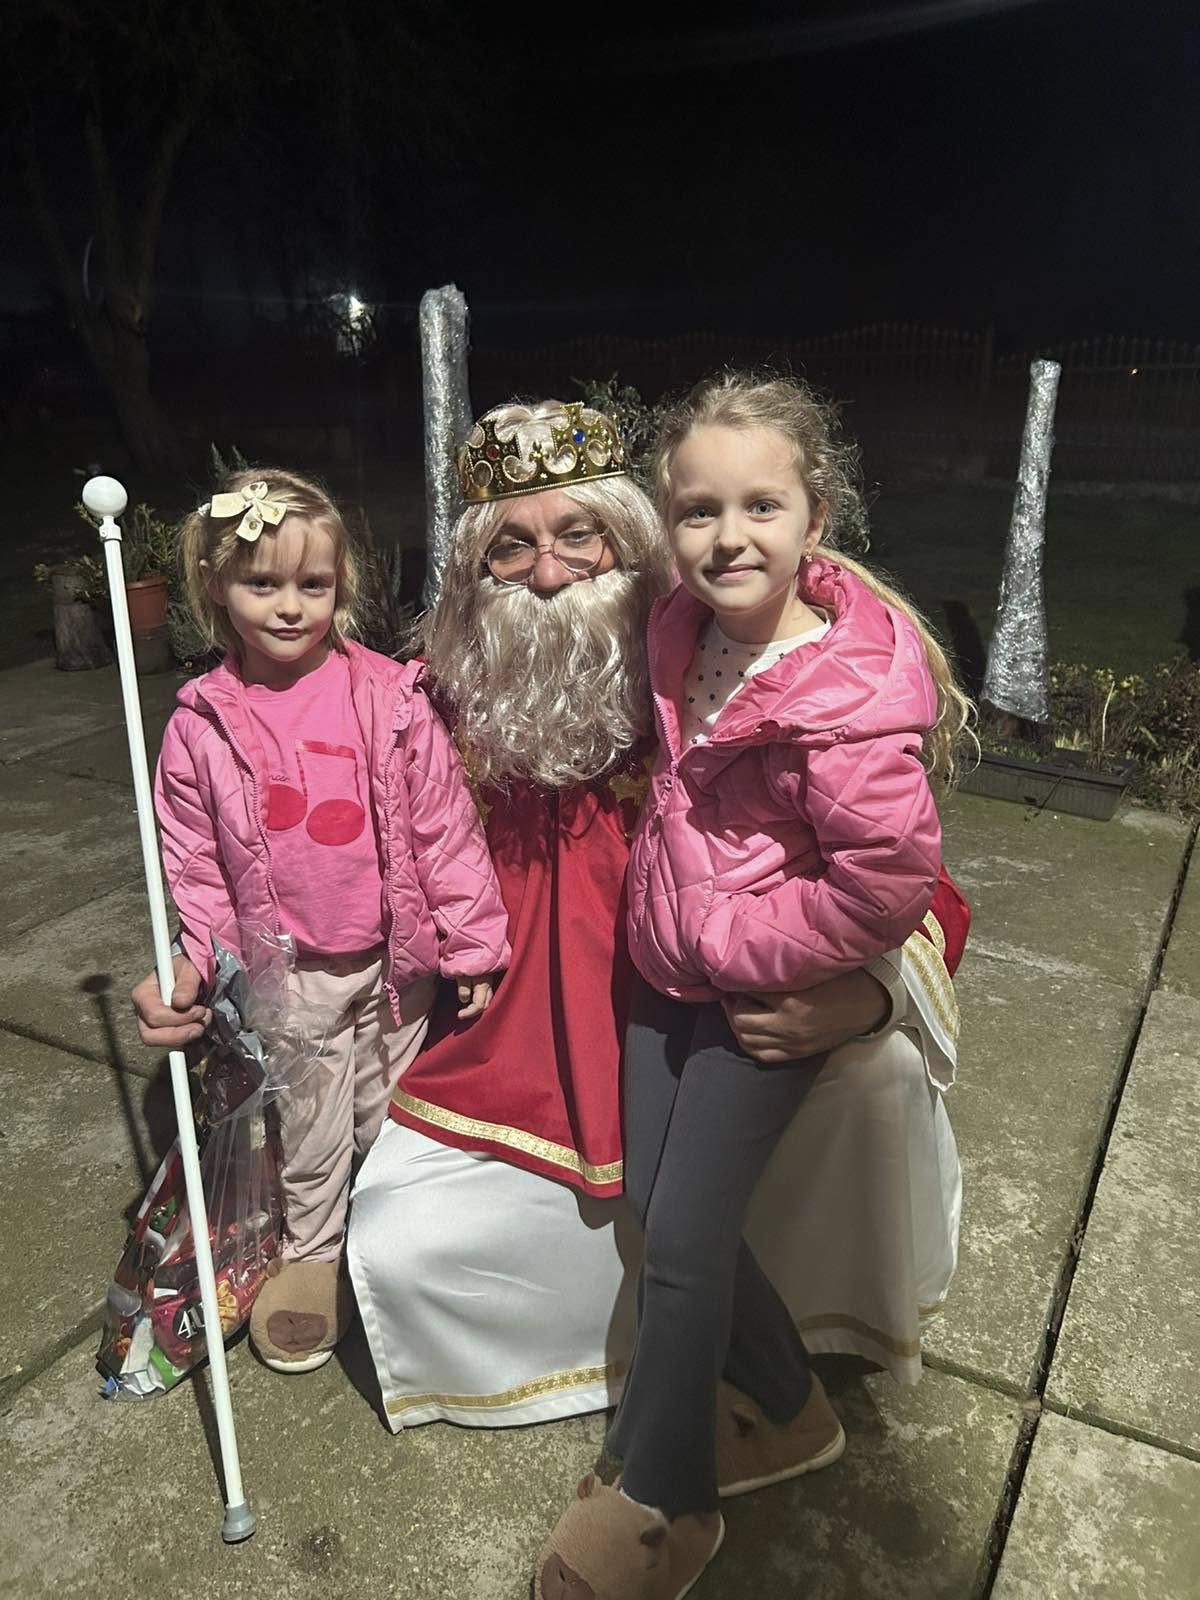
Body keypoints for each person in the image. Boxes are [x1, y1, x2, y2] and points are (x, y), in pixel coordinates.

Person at [133, 404, 965, 1447]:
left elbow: (897, 876)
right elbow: (288, 849)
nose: (546, 573)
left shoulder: (715, 681)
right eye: (511, 547)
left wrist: (871, 996)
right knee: (400, 1245)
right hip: (490, 1047)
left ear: (634, 542)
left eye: (581, 537)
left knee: (877, 1088)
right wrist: (200, 965)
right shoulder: (427, 706)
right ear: (474, 571)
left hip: (712, 1019)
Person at [535, 375, 973, 1598]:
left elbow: (887, 884)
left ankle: (665, 1494)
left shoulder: (848, 701)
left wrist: (739, 942)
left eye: (761, 506)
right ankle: (787, 1406)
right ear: (666, 522)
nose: (728, 537)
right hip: (665, 966)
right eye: (698, 510)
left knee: (683, 1240)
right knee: (649, 1201)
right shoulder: (680, 628)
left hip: (758, 995)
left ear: (814, 517)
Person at [149, 468, 509, 1375]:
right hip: (291, 973)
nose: (289, 606)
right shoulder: (201, 726)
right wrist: (203, 960)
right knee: (309, 1127)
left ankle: (383, 1249)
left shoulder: (389, 698)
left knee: (390, 1115)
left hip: (396, 963)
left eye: (312, 584)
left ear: (340, 585)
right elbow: (194, 865)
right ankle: (312, 1252)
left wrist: (472, 943)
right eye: (262, 583)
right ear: (215, 588)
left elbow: (444, 828)